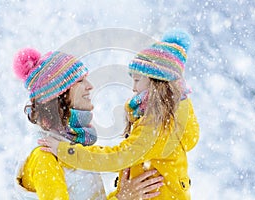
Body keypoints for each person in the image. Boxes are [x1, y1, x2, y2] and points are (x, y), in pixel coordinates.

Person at [39, 30, 200, 199]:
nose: (134, 88)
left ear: (156, 82)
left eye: (137, 80)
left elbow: (118, 157)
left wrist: (67, 152)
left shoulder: (157, 123)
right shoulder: (170, 119)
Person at [13, 48, 163, 200]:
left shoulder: (69, 145)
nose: (90, 86)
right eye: (80, 81)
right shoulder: (45, 155)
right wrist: (122, 198)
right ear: (59, 94)